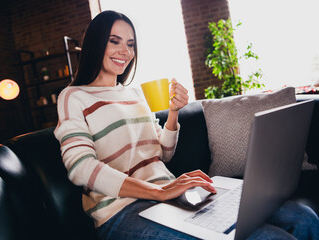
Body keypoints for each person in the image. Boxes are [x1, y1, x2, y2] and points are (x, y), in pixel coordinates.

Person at [54, 10, 319, 240]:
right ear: (96, 43)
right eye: (115, 41)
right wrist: (159, 191)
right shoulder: (74, 96)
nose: (126, 52)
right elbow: (80, 167)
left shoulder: (133, 93)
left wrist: (173, 113)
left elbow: (163, 153)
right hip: (121, 211)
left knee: (303, 216)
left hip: (169, 195)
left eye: (131, 44)